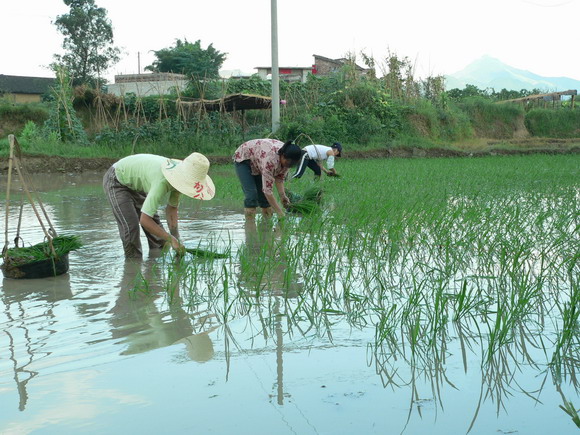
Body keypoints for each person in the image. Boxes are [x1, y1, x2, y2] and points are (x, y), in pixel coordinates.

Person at [103, 152, 215, 258]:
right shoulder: (162, 181)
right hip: (117, 180)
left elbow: (172, 209)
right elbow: (145, 220)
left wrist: (177, 238)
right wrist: (172, 240)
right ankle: (132, 271)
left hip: (138, 184)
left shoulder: (180, 182)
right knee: (131, 229)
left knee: (160, 241)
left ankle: (155, 268)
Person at [233, 138, 302, 221]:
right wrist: (280, 213)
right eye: (288, 163)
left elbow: (279, 178)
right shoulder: (270, 160)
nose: (289, 165)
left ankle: (266, 229)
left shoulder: (288, 160)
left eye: (292, 164)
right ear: (282, 155)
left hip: (258, 161)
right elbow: (267, 191)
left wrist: (283, 196)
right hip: (244, 158)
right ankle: (250, 226)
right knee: (252, 196)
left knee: (265, 201)